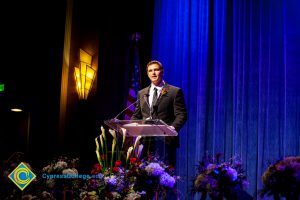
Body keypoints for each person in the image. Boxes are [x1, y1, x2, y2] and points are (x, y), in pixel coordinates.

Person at [131, 60, 187, 166]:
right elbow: (137, 114)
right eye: (150, 71)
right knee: (144, 175)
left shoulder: (174, 92)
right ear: (147, 73)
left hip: (165, 141)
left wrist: (172, 128)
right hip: (145, 141)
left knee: (164, 176)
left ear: (162, 71)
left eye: (156, 70)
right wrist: (131, 126)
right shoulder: (142, 93)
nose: (153, 73)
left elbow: (181, 114)